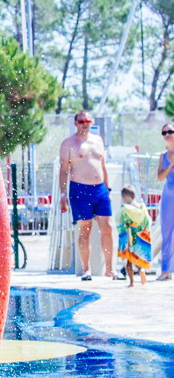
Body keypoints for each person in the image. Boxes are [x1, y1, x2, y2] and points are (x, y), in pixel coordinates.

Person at [58, 110, 116, 281]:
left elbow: (102, 166)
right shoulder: (69, 143)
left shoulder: (98, 141)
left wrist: (108, 189)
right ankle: (86, 269)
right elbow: (63, 170)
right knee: (85, 228)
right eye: (81, 121)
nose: (85, 124)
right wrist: (63, 193)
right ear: (75, 123)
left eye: (88, 121)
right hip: (80, 189)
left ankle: (110, 269)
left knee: (108, 227)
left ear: (91, 123)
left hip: (100, 189)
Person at [116, 185, 151, 287]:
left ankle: (131, 282)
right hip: (140, 238)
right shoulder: (142, 208)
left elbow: (120, 221)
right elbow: (148, 221)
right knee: (138, 258)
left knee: (129, 261)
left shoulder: (125, 209)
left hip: (130, 238)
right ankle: (141, 270)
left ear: (124, 197)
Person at [157, 122, 174, 281]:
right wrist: (171, 166)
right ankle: (166, 270)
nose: (167, 134)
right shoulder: (163, 156)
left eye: (170, 131)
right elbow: (160, 177)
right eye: (164, 133)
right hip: (169, 196)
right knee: (167, 232)